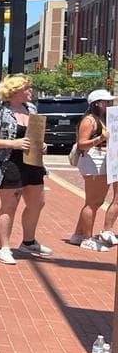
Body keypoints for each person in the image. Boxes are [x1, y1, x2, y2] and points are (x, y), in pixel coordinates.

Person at [0, 74, 54, 265]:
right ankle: (3, 248)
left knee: (38, 202)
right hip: (9, 163)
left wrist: (42, 144)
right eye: (27, 88)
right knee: (10, 205)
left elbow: (34, 135)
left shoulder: (31, 109)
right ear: (16, 91)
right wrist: (13, 143)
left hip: (33, 162)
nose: (30, 91)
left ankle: (28, 242)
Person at [67, 89, 118, 251]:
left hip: (100, 162)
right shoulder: (89, 120)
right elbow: (82, 144)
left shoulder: (100, 119)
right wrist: (100, 139)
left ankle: (78, 234)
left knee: (95, 201)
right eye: (105, 101)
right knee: (93, 202)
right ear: (96, 103)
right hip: (92, 162)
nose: (108, 104)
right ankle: (87, 238)